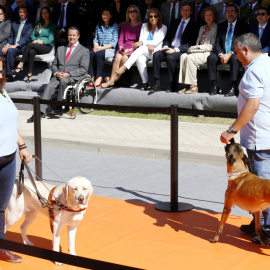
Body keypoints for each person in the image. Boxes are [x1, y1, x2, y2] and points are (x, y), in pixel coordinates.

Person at [220, 32, 270, 245]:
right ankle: (258, 223)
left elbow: (253, 105)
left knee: (262, 188)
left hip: (260, 138)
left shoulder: (254, 71)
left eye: (237, 52)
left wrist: (231, 130)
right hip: (265, 134)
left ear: (246, 50)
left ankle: (266, 229)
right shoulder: (266, 62)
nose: (236, 56)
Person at [0, 56, 32, 263]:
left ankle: (1, 246)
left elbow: (11, 124)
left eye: (0, 70)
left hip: (9, 159)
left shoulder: (3, 92)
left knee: (1, 208)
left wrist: (22, 146)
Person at [26, 27, 90, 123]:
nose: (71, 37)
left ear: (78, 36)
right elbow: (54, 65)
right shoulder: (60, 49)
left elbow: (83, 69)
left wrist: (68, 74)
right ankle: (40, 112)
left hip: (72, 76)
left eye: (73, 35)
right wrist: (56, 73)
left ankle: (59, 106)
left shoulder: (84, 51)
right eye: (69, 35)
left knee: (64, 81)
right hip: (59, 75)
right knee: (50, 85)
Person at [109, 8, 167, 90]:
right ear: (148, 18)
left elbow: (157, 41)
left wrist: (144, 43)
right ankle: (145, 82)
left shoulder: (163, 27)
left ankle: (124, 67)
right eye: (150, 16)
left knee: (142, 47)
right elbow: (140, 39)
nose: (153, 18)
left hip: (155, 52)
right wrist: (147, 44)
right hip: (146, 51)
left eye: (155, 16)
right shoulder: (144, 26)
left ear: (158, 17)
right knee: (139, 58)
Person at [152, 2, 195, 93]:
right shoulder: (174, 22)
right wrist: (166, 46)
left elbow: (190, 44)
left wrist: (175, 50)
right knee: (156, 55)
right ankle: (157, 83)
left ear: (191, 12)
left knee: (170, 57)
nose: (185, 12)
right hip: (170, 47)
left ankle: (172, 84)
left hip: (181, 51)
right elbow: (167, 37)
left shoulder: (194, 25)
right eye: (183, 10)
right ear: (180, 11)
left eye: (187, 10)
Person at [207, 4, 248, 96]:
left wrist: (230, 53)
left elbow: (242, 43)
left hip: (234, 53)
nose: (230, 14)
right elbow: (217, 43)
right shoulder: (221, 26)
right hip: (222, 54)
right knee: (211, 58)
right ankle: (214, 85)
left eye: (232, 11)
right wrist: (221, 54)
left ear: (236, 14)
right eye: (228, 12)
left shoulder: (243, 26)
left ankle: (233, 87)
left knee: (234, 58)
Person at [178, 6, 218, 94]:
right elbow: (198, 42)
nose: (207, 17)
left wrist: (198, 47)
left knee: (190, 58)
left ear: (214, 16)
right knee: (183, 56)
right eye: (206, 15)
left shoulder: (216, 28)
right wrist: (196, 47)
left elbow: (213, 46)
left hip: (208, 52)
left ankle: (193, 86)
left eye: (210, 15)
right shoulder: (202, 28)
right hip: (198, 51)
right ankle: (186, 85)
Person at [101, 5, 142, 89]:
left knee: (124, 58)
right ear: (128, 14)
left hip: (134, 48)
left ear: (137, 13)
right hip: (124, 47)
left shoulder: (141, 26)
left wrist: (130, 49)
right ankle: (112, 80)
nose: (132, 13)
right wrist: (120, 47)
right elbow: (120, 40)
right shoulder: (125, 25)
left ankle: (113, 80)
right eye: (130, 11)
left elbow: (140, 42)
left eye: (134, 11)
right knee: (118, 56)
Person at [13, 7, 56, 83]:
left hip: (46, 47)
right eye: (43, 13)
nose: (44, 14)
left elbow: (50, 39)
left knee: (29, 44)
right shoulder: (39, 24)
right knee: (31, 51)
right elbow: (33, 35)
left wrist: (41, 41)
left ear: (49, 14)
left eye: (46, 12)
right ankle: (29, 74)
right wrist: (35, 40)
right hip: (36, 45)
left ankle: (21, 64)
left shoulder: (52, 25)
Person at [0, 6, 34, 82]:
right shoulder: (15, 23)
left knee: (10, 51)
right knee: (2, 49)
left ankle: (9, 75)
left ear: (27, 13)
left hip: (23, 47)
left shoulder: (30, 24)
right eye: (20, 12)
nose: (22, 14)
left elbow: (27, 38)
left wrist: (16, 45)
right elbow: (11, 36)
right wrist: (7, 45)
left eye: (24, 12)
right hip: (12, 45)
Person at [88, 7, 119, 88]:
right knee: (90, 53)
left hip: (110, 50)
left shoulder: (114, 26)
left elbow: (113, 42)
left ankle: (99, 77)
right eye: (103, 14)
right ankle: (92, 77)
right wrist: (96, 45)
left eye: (107, 14)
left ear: (111, 16)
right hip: (99, 48)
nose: (104, 16)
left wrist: (100, 48)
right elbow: (96, 38)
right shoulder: (99, 26)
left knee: (98, 54)